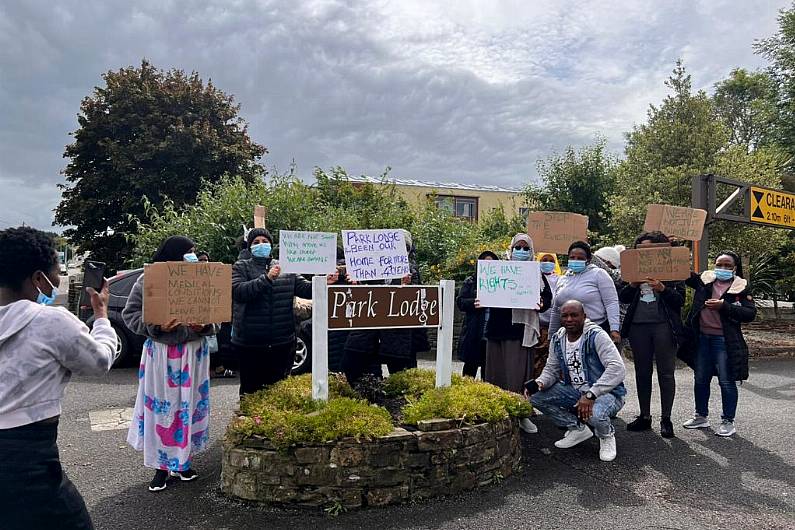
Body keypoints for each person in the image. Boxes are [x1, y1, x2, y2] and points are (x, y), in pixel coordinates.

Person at [0, 227, 117, 529]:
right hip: (28, 460)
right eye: (56, 275)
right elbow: (99, 361)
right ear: (38, 278)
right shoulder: (49, 321)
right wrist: (101, 315)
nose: (57, 283)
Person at [123, 236, 220, 492]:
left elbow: (219, 316)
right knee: (163, 410)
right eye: (188, 252)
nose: (192, 256)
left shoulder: (203, 279)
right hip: (163, 355)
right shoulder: (149, 279)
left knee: (189, 407)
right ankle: (161, 466)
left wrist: (206, 325)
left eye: (194, 251)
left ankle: (184, 462)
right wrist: (156, 327)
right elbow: (130, 314)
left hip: (194, 354)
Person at [232, 228, 338, 395]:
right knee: (250, 391)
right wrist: (266, 279)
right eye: (256, 242)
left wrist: (324, 281)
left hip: (282, 342)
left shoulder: (286, 266)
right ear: (249, 247)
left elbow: (304, 288)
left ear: (272, 245)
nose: (261, 245)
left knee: (278, 390)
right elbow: (238, 292)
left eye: (265, 241)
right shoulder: (241, 267)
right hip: (250, 343)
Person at [526, 300, 627, 462]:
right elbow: (551, 369)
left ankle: (606, 435)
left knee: (595, 414)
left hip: (607, 394)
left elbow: (617, 369)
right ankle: (577, 428)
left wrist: (591, 394)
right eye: (565, 316)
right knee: (536, 398)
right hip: (574, 391)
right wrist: (540, 383)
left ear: (584, 316)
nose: (569, 319)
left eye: (574, 315)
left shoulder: (596, 336)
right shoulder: (558, 338)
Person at [483, 234, 552, 434]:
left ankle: (521, 414)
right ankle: (497, 415)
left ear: (530, 251)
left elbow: (547, 297)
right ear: (511, 248)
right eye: (517, 247)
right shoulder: (497, 269)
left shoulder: (535, 273)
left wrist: (541, 303)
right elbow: (484, 290)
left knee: (517, 374)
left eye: (525, 248)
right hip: (497, 328)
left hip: (520, 330)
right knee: (495, 373)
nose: (520, 251)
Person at [681, 251, 756, 437]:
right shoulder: (705, 280)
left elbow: (749, 314)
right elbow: (682, 271)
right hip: (702, 338)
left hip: (724, 340)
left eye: (727, 265)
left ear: (735, 268)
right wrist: (674, 246)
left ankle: (728, 421)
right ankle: (701, 416)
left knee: (726, 381)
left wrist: (724, 306)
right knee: (700, 378)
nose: (722, 268)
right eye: (719, 264)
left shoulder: (741, 287)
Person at [619, 232, 685, 438]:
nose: (644, 254)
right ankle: (644, 416)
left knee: (666, 373)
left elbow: (680, 300)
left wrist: (663, 288)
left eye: (649, 249)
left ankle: (666, 418)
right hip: (639, 326)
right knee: (642, 372)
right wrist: (632, 284)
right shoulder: (631, 271)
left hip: (664, 326)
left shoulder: (672, 269)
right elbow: (623, 297)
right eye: (640, 250)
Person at [549, 241, 621, 345]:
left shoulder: (599, 274)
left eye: (580, 258)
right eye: (572, 257)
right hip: (568, 333)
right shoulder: (563, 278)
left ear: (588, 260)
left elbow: (611, 303)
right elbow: (556, 310)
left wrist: (614, 329)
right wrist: (551, 335)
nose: (575, 260)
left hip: (595, 331)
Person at [456, 250, 499, 378]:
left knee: (489, 370)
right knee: (470, 368)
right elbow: (461, 301)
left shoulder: (502, 283)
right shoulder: (471, 281)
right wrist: (474, 302)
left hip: (492, 333)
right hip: (474, 331)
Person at [533, 252, 561, 378]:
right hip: (536, 327)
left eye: (551, 260)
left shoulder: (560, 280)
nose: (547, 263)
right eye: (544, 260)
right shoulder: (533, 279)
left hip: (554, 327)